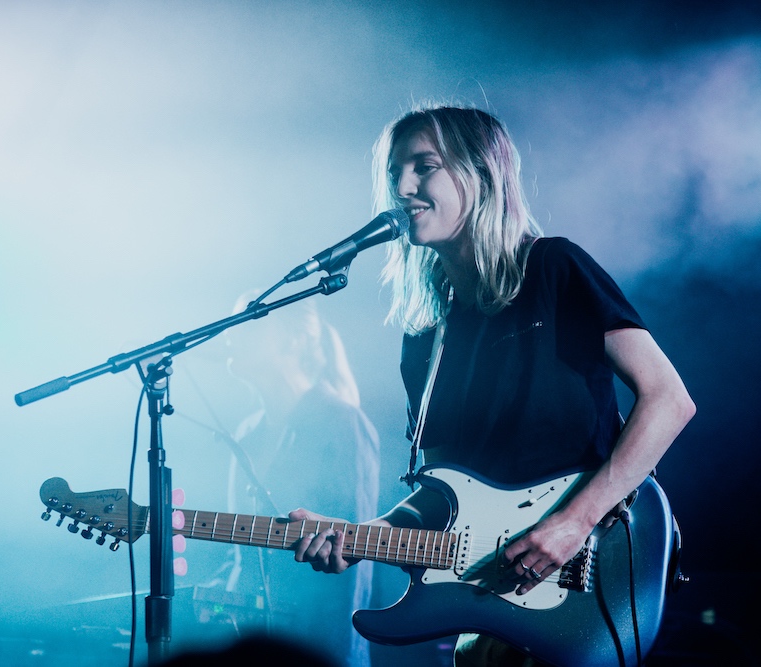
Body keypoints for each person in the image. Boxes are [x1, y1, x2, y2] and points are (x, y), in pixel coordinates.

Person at [286, 104, 696, 666]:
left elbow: (669, 400)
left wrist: (574, 523)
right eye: (394, 173)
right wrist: (358, 537)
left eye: (423, 166)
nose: (402, 187)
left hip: (589, 570)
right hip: (491, 608)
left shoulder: (555, 268)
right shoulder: (427, 332)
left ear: (480, 174)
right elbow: (442, 493)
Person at [211, 295, 380, 667]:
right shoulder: (246, 432)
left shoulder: (342, 422)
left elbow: (354, 560)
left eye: (250, 320)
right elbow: (240, 555)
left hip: (318, 648)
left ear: (294, 339)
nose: (230, 333)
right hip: (252, 644)